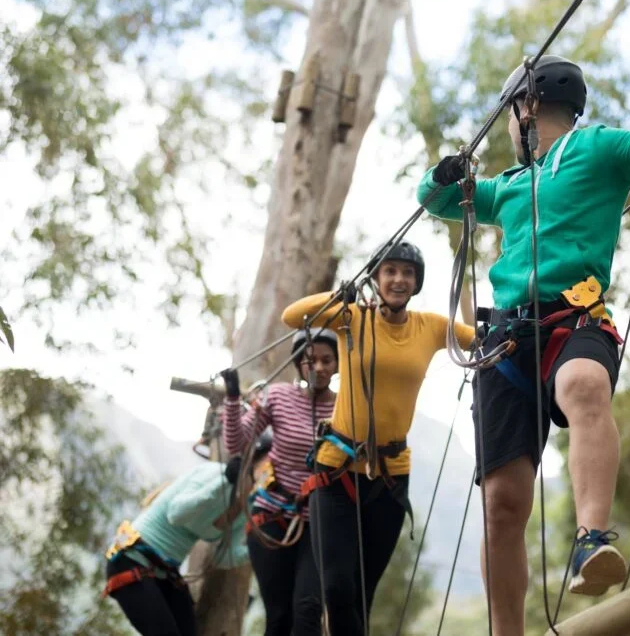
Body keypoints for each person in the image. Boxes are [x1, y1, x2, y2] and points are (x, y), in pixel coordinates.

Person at [416, 54, 630, 635]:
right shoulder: (510, 185)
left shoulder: (599, 148)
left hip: (577, 318)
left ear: (527, 107)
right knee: (503, 504)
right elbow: (438, 201)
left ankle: (591, 540)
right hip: (505, 342)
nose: (513, 126)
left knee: (584, 385)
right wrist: (440, 176)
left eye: (515, 114)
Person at [281, 240, 476, 634]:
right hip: (335, 471)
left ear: (417, 282)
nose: (399, 279)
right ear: (375, 278)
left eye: (407, 273)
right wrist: (340, 295)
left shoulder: (431, 327)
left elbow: (479, 341)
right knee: (336, 589)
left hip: (389, 476)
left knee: (362, 593)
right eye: (389, 271)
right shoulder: (351, 317)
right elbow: (292, 315)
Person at [219, 329, 339, 636]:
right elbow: (237, 443)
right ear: (299, 363)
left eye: (328, 360)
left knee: (308, 608)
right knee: (279, 614)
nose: (320, 368)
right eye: (311, 360)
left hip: (318, 522)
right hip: (271, 515)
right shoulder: (278, 396)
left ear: (339, 365)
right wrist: (233, 399)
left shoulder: (345, 408)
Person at [102, 441, 269, 636]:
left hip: (165, 573)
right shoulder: (213, 474)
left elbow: (223, 556)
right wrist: (224, 483)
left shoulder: (247, 506)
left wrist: (259, 548)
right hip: (131, 560)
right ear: (255, 459)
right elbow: (177, 513)